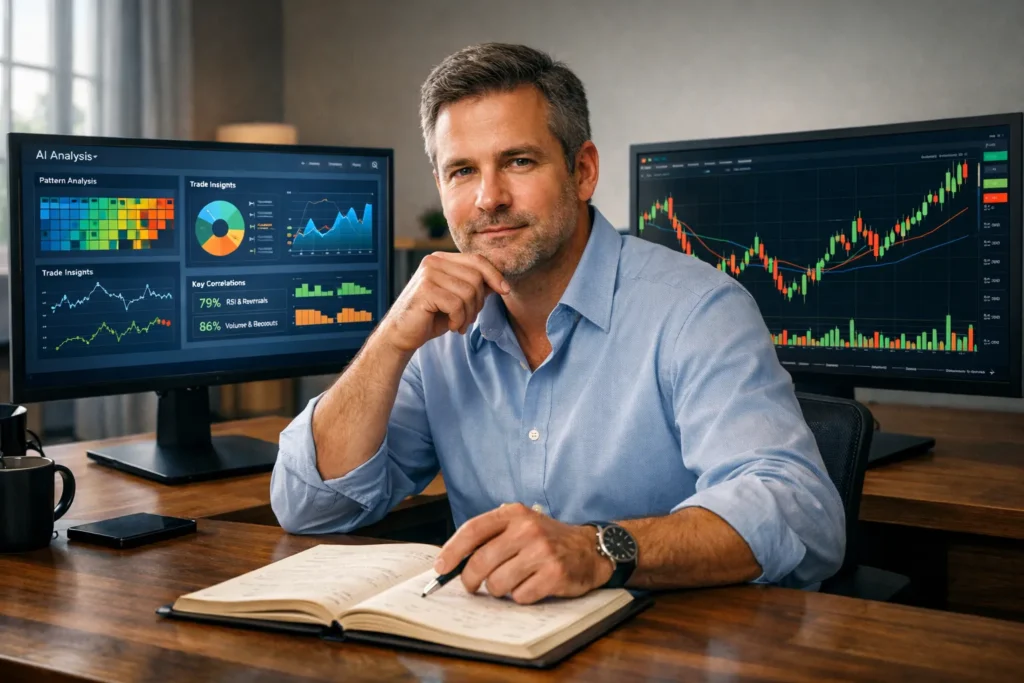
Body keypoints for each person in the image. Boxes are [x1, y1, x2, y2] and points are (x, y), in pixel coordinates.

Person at [271, 43, 845, 604]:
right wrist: (391, 341)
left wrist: (600, 550)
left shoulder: (696, 310)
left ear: (583, 170)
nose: (488, 198)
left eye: (518, 161)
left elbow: (799, 512)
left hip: (670, 649)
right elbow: (311, 506)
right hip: (495, 651)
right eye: (462, 171)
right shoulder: (435, 333)